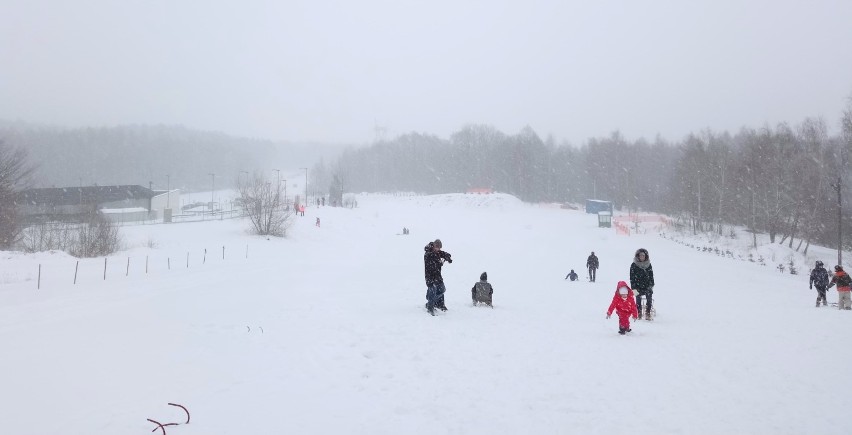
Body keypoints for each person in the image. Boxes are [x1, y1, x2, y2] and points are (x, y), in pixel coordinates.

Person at [423, 239, 452, 315]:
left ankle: (440, 304)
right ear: (433, 246)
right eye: (437, 247)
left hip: (437, 275)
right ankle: (430, 306)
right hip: (430, 276)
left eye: (439, 248)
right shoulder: (428, 254)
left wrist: (447, 257)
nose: (438, 249)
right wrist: (439, 263)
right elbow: (432, 266)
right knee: (432, 290)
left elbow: (443, 254)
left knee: (442, 289)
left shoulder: (437, 252)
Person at [630, 248, 655, 320]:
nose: (642, 257)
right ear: (638, 256)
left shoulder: (648, 265)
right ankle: (639, 312)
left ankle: (648, 312)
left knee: (649, 298)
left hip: (647, 285)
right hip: (638, 286)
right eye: (640, 255)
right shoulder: (634, 265)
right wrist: (633, 288)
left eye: (643, 256)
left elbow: (651, 275)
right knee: (638, 298)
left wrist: (651, 285)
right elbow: (632, 277)